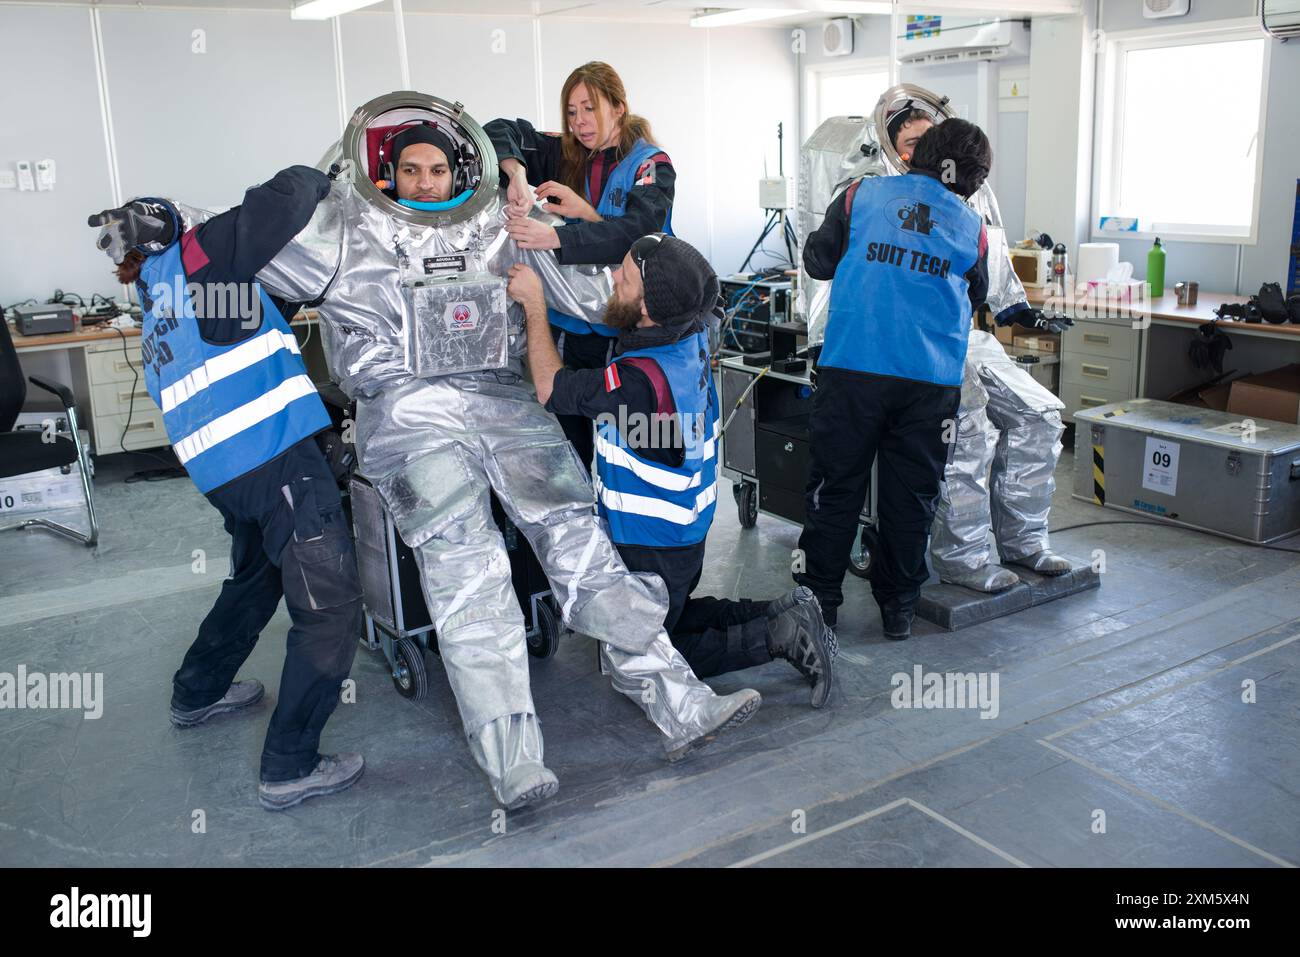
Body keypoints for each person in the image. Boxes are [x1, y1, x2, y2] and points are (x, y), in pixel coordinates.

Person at [229, 96, 760, 811]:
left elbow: (591, 287)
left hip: (504, 399)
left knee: (579, 541)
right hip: (407, 413)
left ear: (458, 171)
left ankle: (679, 700)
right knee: (466, 566)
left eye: (438, 168)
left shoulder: (493, 221)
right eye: (410, 169)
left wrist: (565, 237)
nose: (424, 183)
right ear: (385, 169)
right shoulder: (341, 227)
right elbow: (232, 265)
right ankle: (512, 759)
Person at [87, 166, 364, 811]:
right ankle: (290, 765)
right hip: (275, 463)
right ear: (181, 226)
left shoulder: (160, 293)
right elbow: (287, 197)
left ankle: (199, 690)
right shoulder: (202, 254)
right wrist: (327, 174)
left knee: (257, 579)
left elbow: (243, 328)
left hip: (226, 475)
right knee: (330, 611)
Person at [508, 235, 833, 707]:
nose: (612, 278)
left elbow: (548, 387)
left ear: (648, 307)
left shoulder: (640, 380)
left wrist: (536, 306)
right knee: (669, 616)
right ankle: (784, 611)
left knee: (645, 651)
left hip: (652, 538)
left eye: (623, 276)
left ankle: (778, 636)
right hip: (685, 525)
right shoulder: (692, 328)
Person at [799, 90, 1072, 596]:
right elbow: (819, 273)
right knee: (969, 431)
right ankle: (961, 560)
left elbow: (987, 271)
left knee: (1040, 414)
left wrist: (1020, 311)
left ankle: (1024, 541)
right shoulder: (863, 188)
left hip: (950, 341)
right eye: (911, 142)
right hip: (892, 352)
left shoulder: (963, 200)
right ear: (892, 145)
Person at [795, 118, 992, 642]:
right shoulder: (972, 227)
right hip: (929, 382)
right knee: (913, 498)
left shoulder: (860, 196)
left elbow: (817, 262)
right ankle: (899, 610)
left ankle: (820, 607)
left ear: (917, 152)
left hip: (854, 370)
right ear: (971, 178)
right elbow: (976, 296)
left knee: (834, 491)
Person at [485, 61, 675, 470]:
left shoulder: (650, 166)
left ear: (619, 106)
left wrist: (559, 234)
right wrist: (516, 174)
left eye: (590, 108)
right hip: (569, 332)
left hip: (625, 334)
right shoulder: (566, 152)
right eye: (571, 112)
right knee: (570, 448)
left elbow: (638, 232)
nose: (580, 122)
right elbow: (499, 129)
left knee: (627, 451)